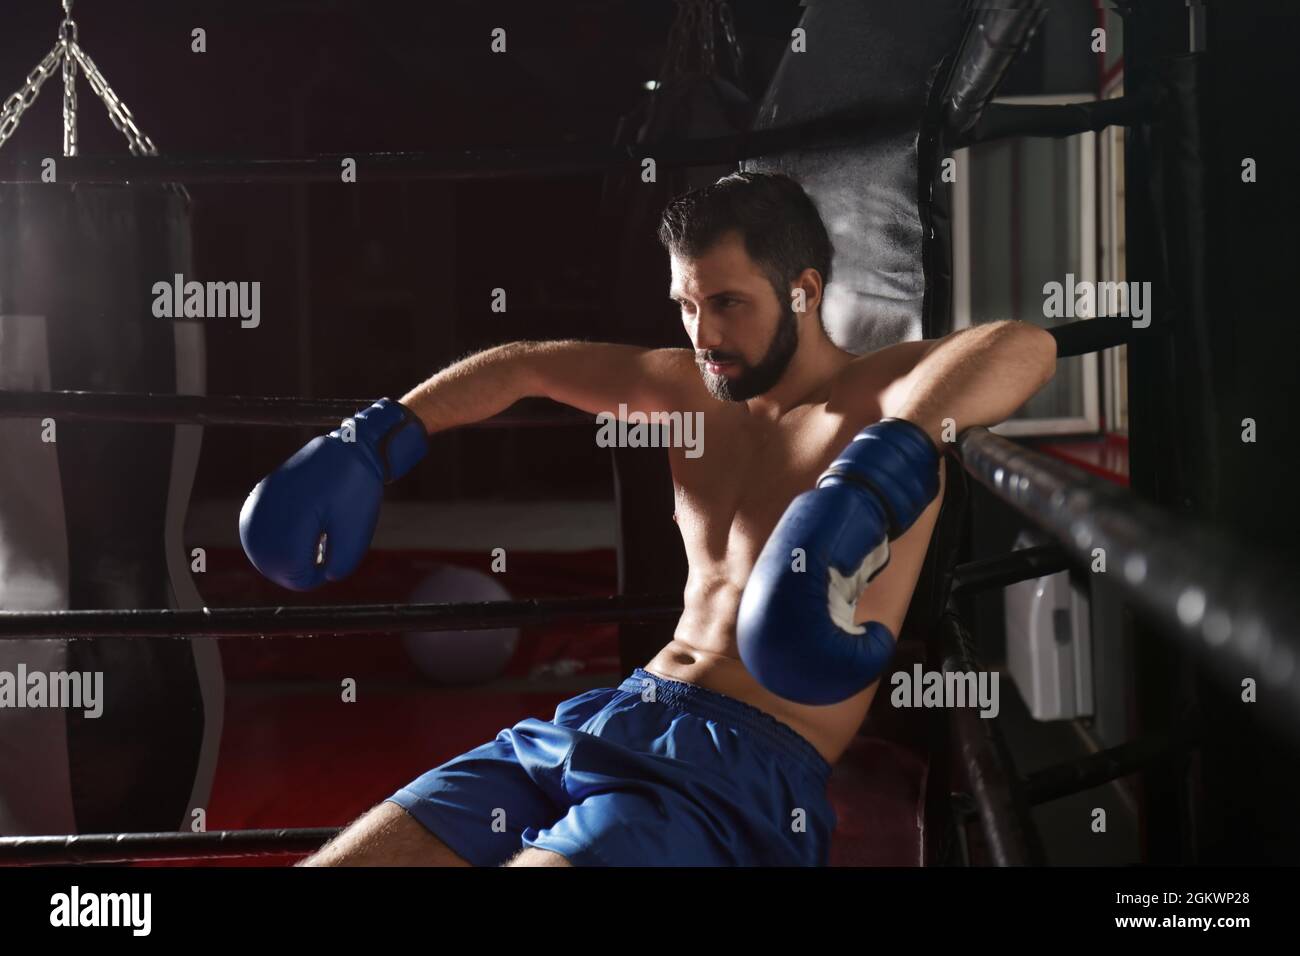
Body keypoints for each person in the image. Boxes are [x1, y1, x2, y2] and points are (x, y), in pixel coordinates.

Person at [239, 171, 1057, 866]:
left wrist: (875, 478)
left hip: (744, 764)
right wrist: (375, 439)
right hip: (611, 713)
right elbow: (523, 366)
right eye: (687, 305)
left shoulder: (884, 395)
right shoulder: (684, 391)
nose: (705, 335)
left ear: (804, 291)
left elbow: (1024, 345)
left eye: (728, 303)